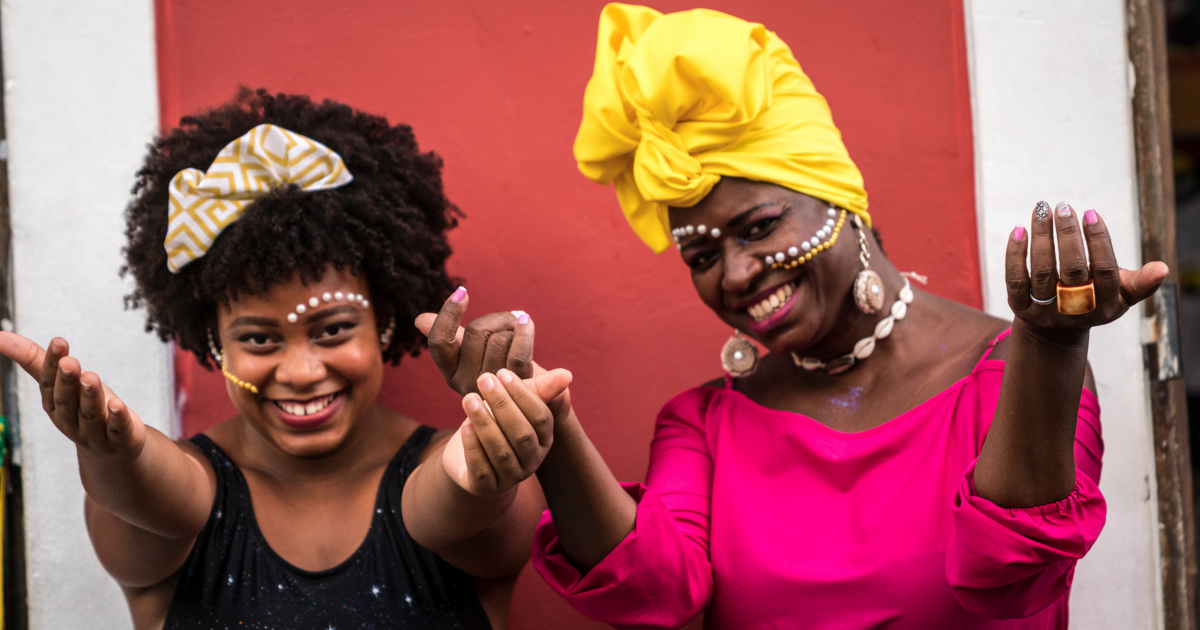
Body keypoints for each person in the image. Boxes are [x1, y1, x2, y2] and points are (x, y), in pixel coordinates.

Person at [419, 5, 1170, 628]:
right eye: (701, 255)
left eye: (758, 227)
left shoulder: (1007, 375)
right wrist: (543, 424)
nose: (736, 275)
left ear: (842, 201)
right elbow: (659, 591)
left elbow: (1008, 575)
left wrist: (1052, 343)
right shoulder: (706, 422)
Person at [0, 89, 569, 629]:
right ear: (212, 342)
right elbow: (157, 497)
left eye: (333, 330)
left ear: (385, 319)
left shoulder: (456, 461)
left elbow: (441, 500)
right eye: (259, 340)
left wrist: (476, 475)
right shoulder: (184, 495)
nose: (300, 373)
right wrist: (116, 456)